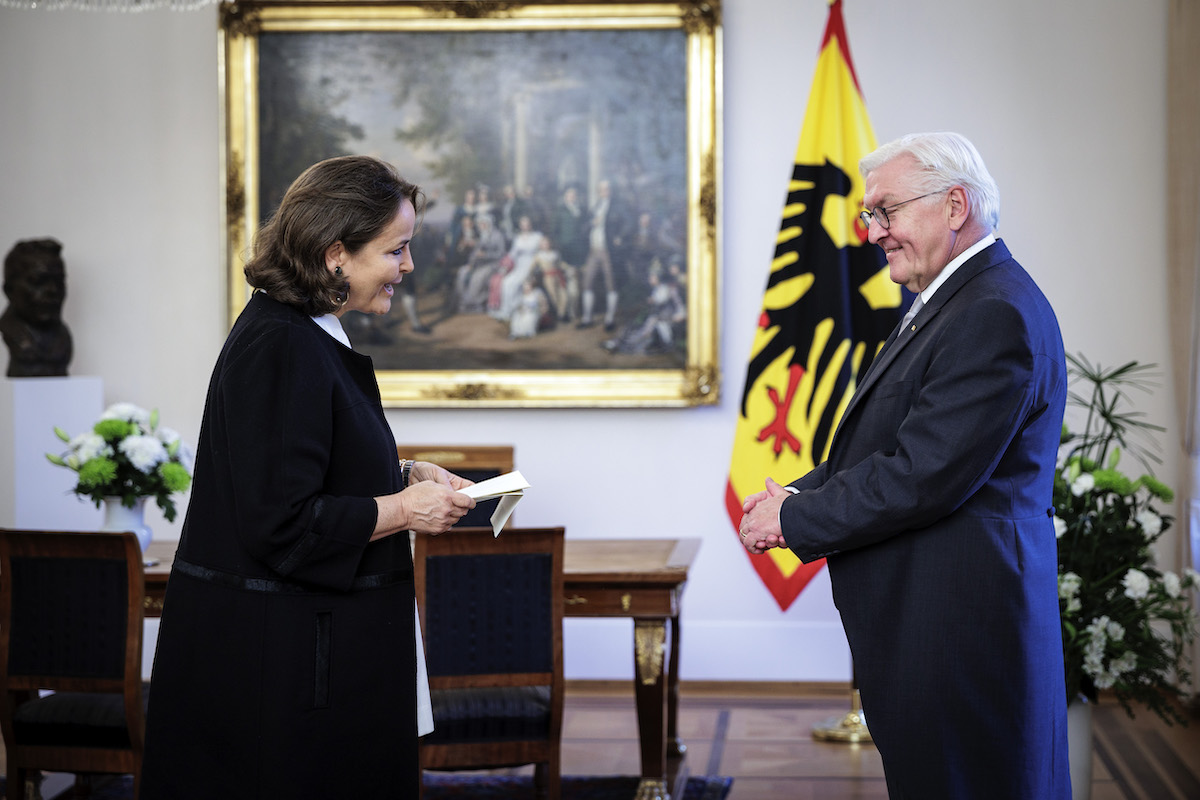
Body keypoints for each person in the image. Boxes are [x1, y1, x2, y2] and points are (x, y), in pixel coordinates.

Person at [737, 132, 1070, 799]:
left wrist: (795, 516)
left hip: (959, 632)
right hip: (936, 624)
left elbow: (922, 475)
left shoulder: (991, 311)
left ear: (954, 205)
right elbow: (886, 446)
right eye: (870, 215)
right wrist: (795, 496)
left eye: (886, 212)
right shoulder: (953, 301)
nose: (873, 232)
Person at [140, 155, 477, 800]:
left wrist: (404, 476)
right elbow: (283, 521)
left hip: (306, 657)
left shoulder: (307, 333)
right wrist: (407, 511)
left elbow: (308, 465)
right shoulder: (282, 344)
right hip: (282, 675)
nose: (408, 268)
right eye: (396, 250)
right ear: (335, 255)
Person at [0, 238, 71, 377]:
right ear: (9, 290)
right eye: (38, 281)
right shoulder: (11, 331)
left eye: (58, 281)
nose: (52, 291)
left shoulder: (63, 337)